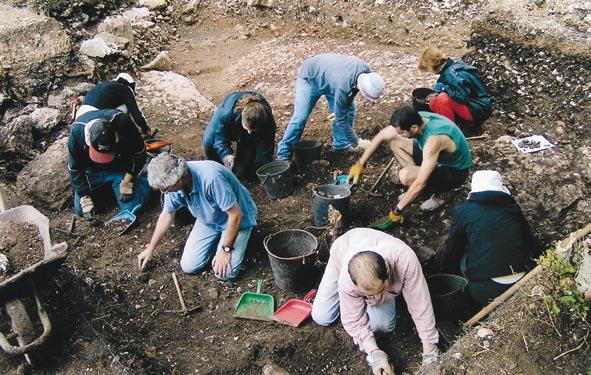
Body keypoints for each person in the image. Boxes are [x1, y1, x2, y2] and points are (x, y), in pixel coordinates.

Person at [311, 228, 439, 375]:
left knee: (382, 326)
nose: (376, 298)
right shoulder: (347, 279)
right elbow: (353, 320)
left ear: (387, 272)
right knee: (322, 317)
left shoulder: (405, 260)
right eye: (369, 295)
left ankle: (370, 296)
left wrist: (430, 348)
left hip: (377, 249)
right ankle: (352, 299)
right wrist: (375, 353)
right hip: (343, 250)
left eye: (380, 290)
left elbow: (420, 305)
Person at [137, 154, 257, 280]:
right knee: (188, 266)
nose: (165, 193)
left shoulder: (211, 178)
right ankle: (218, 243)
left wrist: (225, 250)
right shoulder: (173, 183)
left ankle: (236, 238)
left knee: (225, 273)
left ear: (179, 180)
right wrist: (150, 247)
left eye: (166, 189)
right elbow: (167, 213)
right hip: (208, 219)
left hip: (234, 219)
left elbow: (235, 214)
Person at [348, 106, 471, 226]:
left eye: (402, 133)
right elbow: (382, 135)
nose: (400, 135)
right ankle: (417, 188)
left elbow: (420, 182)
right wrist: (360, 164)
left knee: (405, 175)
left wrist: (397, 210)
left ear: (414, 128)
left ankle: (442, 193)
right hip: (437, 157)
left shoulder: (433, 140)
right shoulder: (417, 118)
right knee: (394, 142)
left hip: (455, 172)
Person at [442, 170, 540, 305]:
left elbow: (453, 248)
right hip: (522, 279)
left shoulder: (464, 211)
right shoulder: (512, 208)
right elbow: (530, 241)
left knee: (464, 257)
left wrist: (447, 274)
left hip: (486, 289)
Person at [276, 53, 386, 160]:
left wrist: (342, 109)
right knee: (300, 118)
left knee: (349, 110)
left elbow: (353, 90)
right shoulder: (343, 86)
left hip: (331, 78)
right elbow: (341, 120)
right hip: (310, 77)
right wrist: (357, 142)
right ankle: (283, 155)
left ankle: (341, 144)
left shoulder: (367, 72)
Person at [67, 108, 151, 220]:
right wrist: (84, 197)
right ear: (88, 141)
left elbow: (139, 153)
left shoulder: (123, 122)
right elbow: (74, 168)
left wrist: (128, 178)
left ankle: (146, 176)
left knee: (132, 208)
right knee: (80, 209)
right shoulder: (77, 131)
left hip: (118, 168)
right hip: (92, 172)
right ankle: (110, 191)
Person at [203, 91, 276, 179]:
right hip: (229, 118)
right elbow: (219, 138)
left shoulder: (267, 120)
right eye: (247, 128)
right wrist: (226, 155)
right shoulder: (226, 114)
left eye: (252, 131)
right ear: (242, 116)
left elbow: (266, 145)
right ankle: (214, 167)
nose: (249, 133)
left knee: (241, 172)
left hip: (244, 129)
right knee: (209, 142)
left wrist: (261, 169)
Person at [418, 47, 492, 129]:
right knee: (434, 102)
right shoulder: (454, 66)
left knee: (440, 99)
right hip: (480, 105)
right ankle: (463, 124)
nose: (429, 71)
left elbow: (462, 97)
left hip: (479, 110)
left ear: (433, 64)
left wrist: (444, 89)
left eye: (428, 68)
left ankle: (449, 130)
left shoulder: (451, 74)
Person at [77, 73, 152, 135]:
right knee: (126, 107)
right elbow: (137, 114)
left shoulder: (103, 85)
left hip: (79, 116)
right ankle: (119, 135)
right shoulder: (126, 89)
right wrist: (145, 128)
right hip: (95, 117)